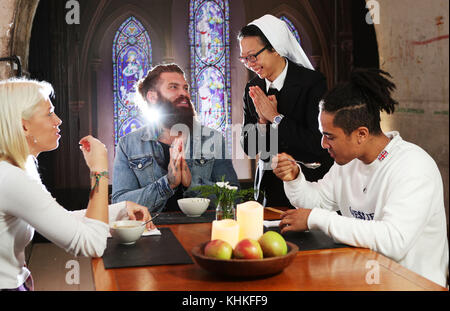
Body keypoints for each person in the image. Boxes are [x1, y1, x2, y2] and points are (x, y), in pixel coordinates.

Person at [272, 68, 449, 287]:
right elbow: (317, 202)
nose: (323, 144)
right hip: (368, 278)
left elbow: (394, 240)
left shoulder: (413, 167)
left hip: (414, 285)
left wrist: (317, 219)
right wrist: (295, 178)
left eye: (329, 137)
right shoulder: (348, 163)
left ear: (361, 134)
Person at [0, 79, 155, 291]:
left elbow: (56, 219)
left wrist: (119, 210)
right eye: (49, 113)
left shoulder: (13, 169)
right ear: (23, 125)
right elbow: (92, 244)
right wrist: (99, 170)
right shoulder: (10, 178)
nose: (58, 120)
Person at [112, 64, 239, 212]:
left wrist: (192, 184)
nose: (184, 93)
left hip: (201, 231)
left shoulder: (213, 139)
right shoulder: (128, 144)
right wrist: (168, 184)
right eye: (173, 87)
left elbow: (234, 198)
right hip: (151, 230)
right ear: (152, 96)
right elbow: (120, 204)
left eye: (185, 88)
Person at [238, 14, 333, 208]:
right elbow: (249, 148)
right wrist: (262, 123)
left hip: (308, 184)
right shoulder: (253, 88)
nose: (250, 63)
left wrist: (275, 117)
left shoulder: (312, 83)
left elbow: (317, 144)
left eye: (253, 56)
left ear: (275, 48)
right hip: (268, 189)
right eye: (244, 59)